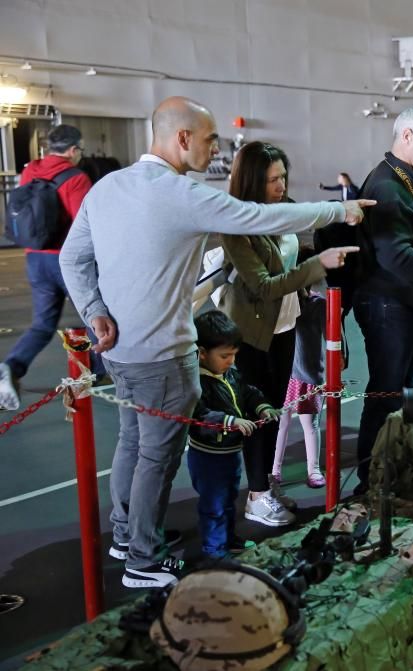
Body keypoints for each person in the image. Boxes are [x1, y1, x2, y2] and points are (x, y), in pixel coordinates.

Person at [59, 96, 370, 588]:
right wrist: (341, 207)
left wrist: (94, 311)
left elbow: (72, 259)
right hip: (162, 353)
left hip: (118, 351)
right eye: (209, 139)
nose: (215, 148)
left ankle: (125, 534)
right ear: (182, 139)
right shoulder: (181, 193)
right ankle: (143, 559)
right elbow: (262, 218)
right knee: (156, 459)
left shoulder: (107, 188)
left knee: (133, 444)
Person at [220, 141, 360, 527]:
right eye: (271, 180)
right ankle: (256, 496)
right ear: (250, 181)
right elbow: (263, 285)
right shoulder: (236, 224)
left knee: (274, 411)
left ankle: (264, 485)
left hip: (284, 327)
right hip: (251, 333)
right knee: (257, 414)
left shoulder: (283, 209)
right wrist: (317, 264)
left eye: (283, 176)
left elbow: (301, 234)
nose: (280, 186)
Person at [353, 107, 413, 494]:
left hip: (399, 304)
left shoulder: (400, 182)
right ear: (407, 136)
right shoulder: (388, 187)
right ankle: (370, 479)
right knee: (386, 396)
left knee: (400, 393)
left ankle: (389, 472)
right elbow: (395, 258)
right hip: (388, 305)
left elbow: (403, 243)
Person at [0, 124, 95, 411]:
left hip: (34, 257)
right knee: (98, 313)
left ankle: (11, 367)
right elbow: (85, 223)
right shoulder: (76, 177)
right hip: (66, 260)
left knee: (43, 323)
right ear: (73, 149)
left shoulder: (30, 171)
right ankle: (103, 372)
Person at [187, 311, 277, 559]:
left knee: (227, 500)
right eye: (225, 356)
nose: (230, 361)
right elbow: (200, 414)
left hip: (229, 453)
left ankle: (227, 538)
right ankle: (215, 549)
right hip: (208, 457)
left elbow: (247, 392)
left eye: (233, 355)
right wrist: (230, 421)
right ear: (202, 353)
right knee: (213, 505)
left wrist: (262, 406)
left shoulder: (230, 374)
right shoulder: (196, 382)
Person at [272, 260, 328, 489]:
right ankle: (274, 469)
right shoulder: (282, 303)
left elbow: (333, 334)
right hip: (284, 373)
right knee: (280, 423)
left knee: (310, 423)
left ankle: (313, 470)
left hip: (308, 373)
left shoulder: (317, 305)